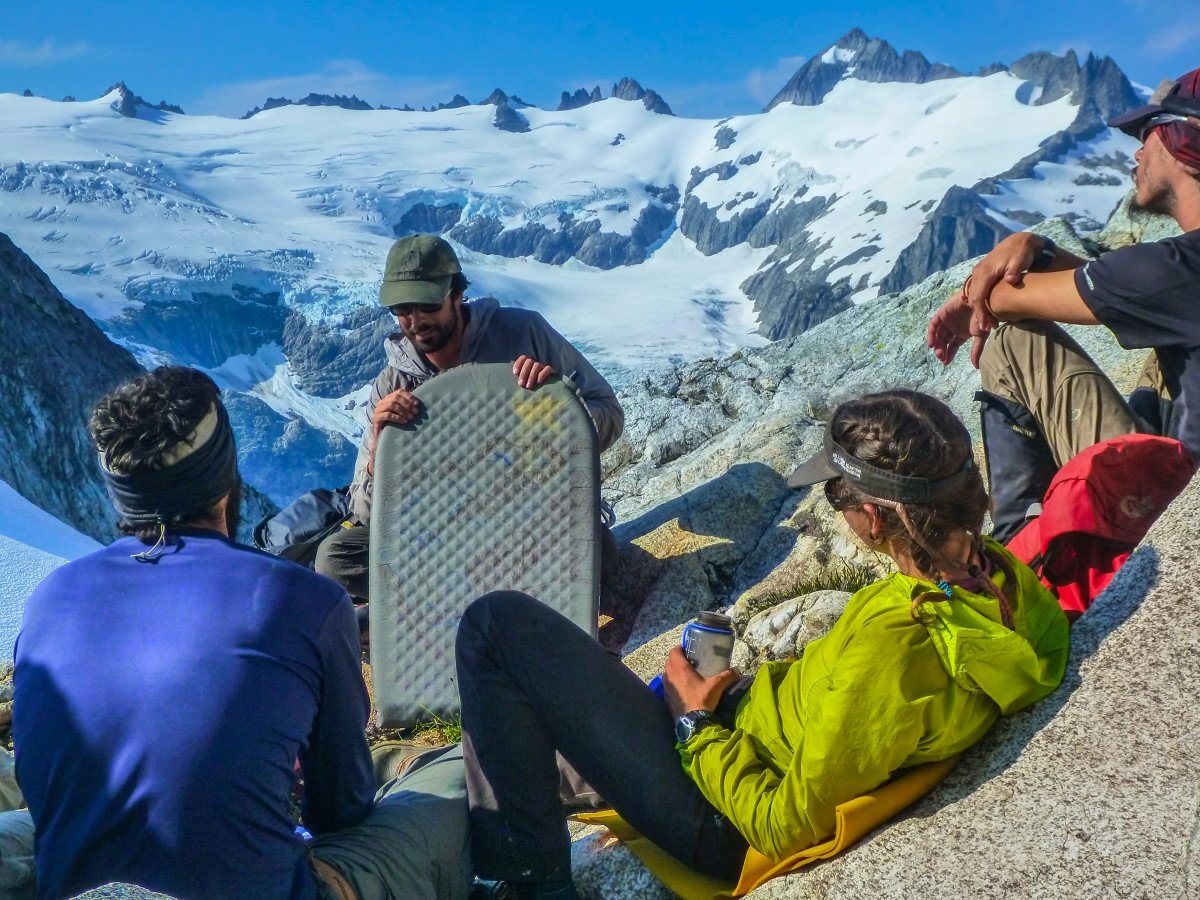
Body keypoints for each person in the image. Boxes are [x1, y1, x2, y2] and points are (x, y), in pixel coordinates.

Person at [454, 390, 1070, 898]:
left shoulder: (901, 642)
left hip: (721, 817)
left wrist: (694, 722)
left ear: (876, 519)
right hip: (743, 732)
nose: (835, 508)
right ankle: (514, 818)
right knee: (519, 732)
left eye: (836, 494)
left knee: (495, 627)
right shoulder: (1003, 582)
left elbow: (783, 824)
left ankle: (525, 884)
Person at [11, 367, 469, 900]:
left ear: (121, 494)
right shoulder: (304, 600)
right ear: (226, 477)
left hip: (72, 886)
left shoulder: (46, 600)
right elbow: (341, 808)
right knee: (456, 774)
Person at [927, 67, 1200, 540]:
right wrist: (1037, 246)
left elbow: (1005, 303)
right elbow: (1115, 289)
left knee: (1013, 343)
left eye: (1149, 133)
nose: (1137, 151)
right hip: (1180, 482)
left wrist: (974, 296)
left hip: (1166, 513)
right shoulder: (1178, 275)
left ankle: (1022, 555)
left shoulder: (1178, 269)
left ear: (1186, 144)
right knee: (1164, 355)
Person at [315, 233, 624, 601]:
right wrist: (380, 450)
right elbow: (366, 513)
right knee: (336, 559)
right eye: (402, 309)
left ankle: (447, 601)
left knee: (598, 552)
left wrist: (559, 407)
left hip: (530, 517)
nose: (415, 320)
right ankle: (500, 591)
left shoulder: (524, 333)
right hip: (441, 534)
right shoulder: (392, 385)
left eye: (427, 304)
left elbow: (609, 412)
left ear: (456, 294)